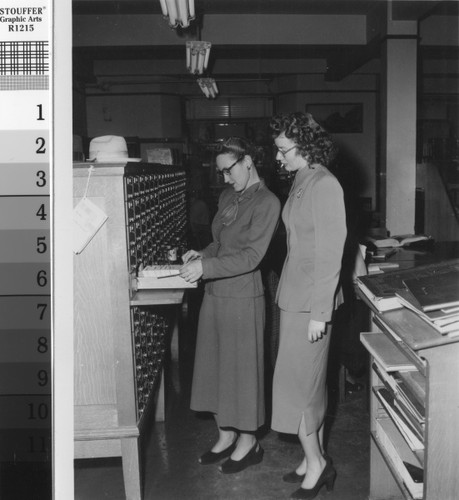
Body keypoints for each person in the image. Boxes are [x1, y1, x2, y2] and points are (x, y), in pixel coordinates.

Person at [179, 137, 281, 474]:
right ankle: (224, 435)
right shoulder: (227, 197)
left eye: (228, 170)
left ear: (248, 161)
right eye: (220, 172)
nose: (224, 178)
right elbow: (220, 243)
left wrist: (205, 268)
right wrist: (202, 254)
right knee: (215, 368)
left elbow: (252, 256)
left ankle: (249, 442)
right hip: (215, 295)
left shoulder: (267, 202)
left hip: (243, 298)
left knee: (242, 373)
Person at [269, 112, 347, 499]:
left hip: (311, 304)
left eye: (283, 150)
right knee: (304, 386)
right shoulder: (303, 179)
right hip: (294, 297)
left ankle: (318, 464)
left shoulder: (325, 184)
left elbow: (331, 253)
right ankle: (308, 456)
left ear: (307, 146)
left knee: (298, 388)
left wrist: (320, 311)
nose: (278, 158)